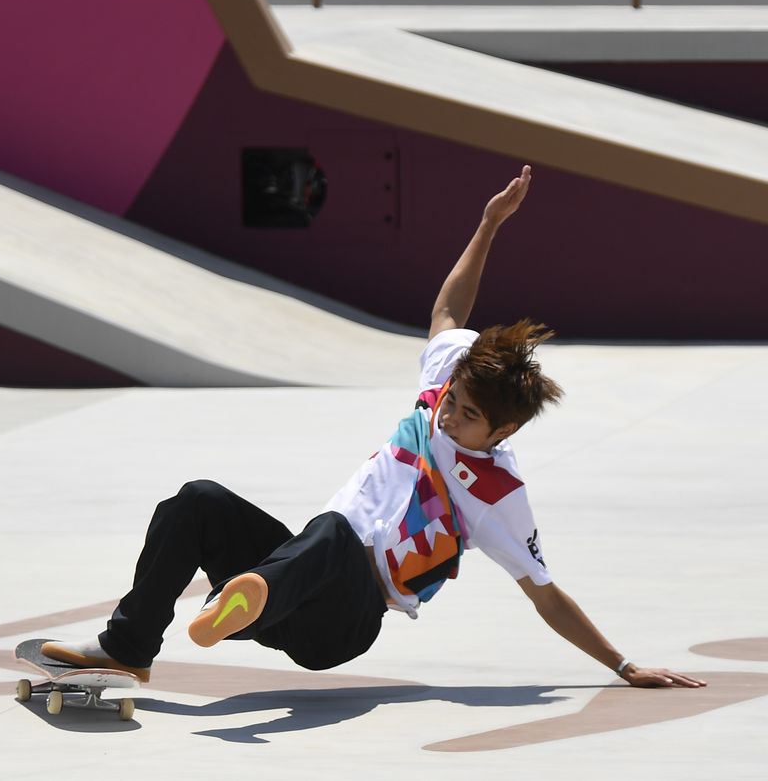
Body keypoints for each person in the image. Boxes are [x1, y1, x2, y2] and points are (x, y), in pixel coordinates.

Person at [42, 166, 706, 691]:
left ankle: (252, 598)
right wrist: (487, 226)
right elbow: (449, 308)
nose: (449, 415)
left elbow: (546, 595)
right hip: (297, 573)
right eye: (451, 403)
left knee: (333, 535)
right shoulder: (446, 384)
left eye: (468, 417)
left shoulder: (498, 495)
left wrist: (623, 666)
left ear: (502, 429)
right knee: (197, 501)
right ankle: (131, 649)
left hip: (343, 623)